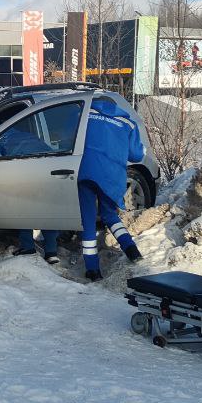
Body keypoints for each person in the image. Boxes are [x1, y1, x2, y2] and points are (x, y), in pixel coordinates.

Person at [78, 95, 145, 282]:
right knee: (109, 215)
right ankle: (131, 249)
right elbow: (137, 155)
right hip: (112, 176)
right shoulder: (128, 123)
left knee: (88, 221)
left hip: (86, 172)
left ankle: (93, 270)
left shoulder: (84, 114)